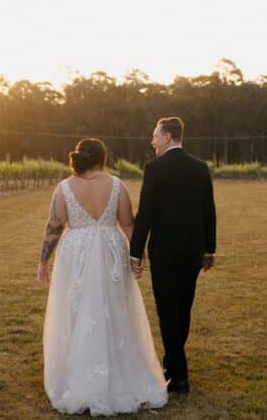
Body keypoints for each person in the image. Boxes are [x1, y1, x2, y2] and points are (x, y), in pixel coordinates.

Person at [38, 138, 168, 415]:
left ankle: (80, 376)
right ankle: (119, 374)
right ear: (103, 157)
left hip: (76, 254)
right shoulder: (117, 185)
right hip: (111, 249)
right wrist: (137, 255)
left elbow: (54, 227)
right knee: (115, 310)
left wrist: (43, 261)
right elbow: (128, 223)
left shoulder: (64, 188)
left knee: (76, 311)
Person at [129, 117, 217, 395]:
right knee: (182, 308)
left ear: (167, 137)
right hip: (193, 251)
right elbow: (209, 211)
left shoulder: (154, 169)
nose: (152, 141)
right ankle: (172, 363)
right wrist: (209, 249)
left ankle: (179, 377)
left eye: (155, 136)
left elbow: (145, 213)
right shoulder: (200, 168)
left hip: (165, 252)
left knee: (168, 312)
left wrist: (135, 252)